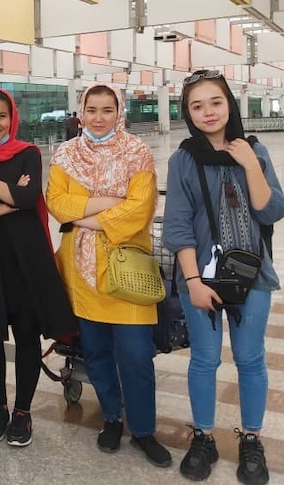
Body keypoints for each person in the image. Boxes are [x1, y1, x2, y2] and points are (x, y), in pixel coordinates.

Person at [162, 69, 284, 485]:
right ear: (188, 113)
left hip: (252, 275)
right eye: (197, 106)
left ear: (229, 103)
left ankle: (251, 438)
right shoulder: (183, 159)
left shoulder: (254, 150)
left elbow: (272, 211)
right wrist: (193, 283)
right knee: (204, 359)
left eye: (215, 102)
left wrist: (251, 164)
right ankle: (203, 435)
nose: (207, 112)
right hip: (201, 276)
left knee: (251, 359)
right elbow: (178, 227)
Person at [46, 84, 172, 468]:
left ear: (119, 112)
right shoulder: (65, 154)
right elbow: (56, 202)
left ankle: (145, 429)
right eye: (92, 109)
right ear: (80, 113)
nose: (99, 117)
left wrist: (82, 216)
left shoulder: (137, 153)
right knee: (97, 352)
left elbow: (140, 209)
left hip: (127, 269)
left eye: (107, 109)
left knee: (136, 355)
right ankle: (112, 418)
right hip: (81, 273)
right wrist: (109, 205)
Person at [0, 88, 75, 448]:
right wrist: (10, 200)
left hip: (26, 258)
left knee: (25, 336)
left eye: (1, 116)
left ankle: (22, 411)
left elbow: (29, 196)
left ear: (12, 118)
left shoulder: (28, 153)